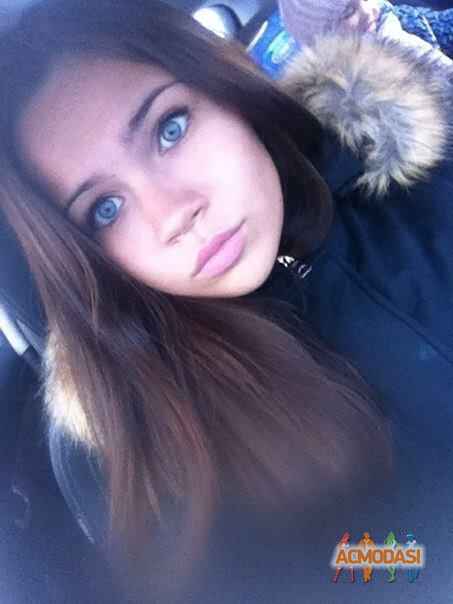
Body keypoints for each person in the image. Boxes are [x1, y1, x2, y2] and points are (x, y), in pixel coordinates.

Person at [0, 0, 452, 602]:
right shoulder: (154, 439)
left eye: (169, 129)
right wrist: (431, 553)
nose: (174, 214)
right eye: (105, 209)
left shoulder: (411, 169)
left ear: (224, 91)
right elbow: (332, 572)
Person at [277, 0, 453, 67]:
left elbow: (438, 25)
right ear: (322, 38)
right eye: (348, 12)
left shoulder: (387, 21)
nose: (369, 11)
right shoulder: (360, 99)